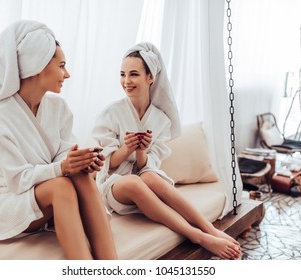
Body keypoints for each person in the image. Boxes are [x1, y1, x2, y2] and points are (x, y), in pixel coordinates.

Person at [0, 20, 118, 260]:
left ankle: (111, 266)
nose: (67, 74)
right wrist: (62, 167)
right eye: (61, 66)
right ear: (37, 65)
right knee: (60, 185)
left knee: (79, 175)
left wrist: (80, 162)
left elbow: (64, 154)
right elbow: (18, 180)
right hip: (11, 199)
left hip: (50, 194)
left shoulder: (58, 107)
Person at [92, 42, 241, 260]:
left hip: (145, 182)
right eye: (123, 74)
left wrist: (142, 151)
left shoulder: (160, 119)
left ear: (150, 77)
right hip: (115, 186)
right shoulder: (111, 113)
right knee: (135, 182)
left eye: (133, 74)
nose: (126, 81)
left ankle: (209, 228)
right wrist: (126, 149)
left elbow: (147, 167)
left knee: (150, 178)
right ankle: (198, 236)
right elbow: (108, 164)